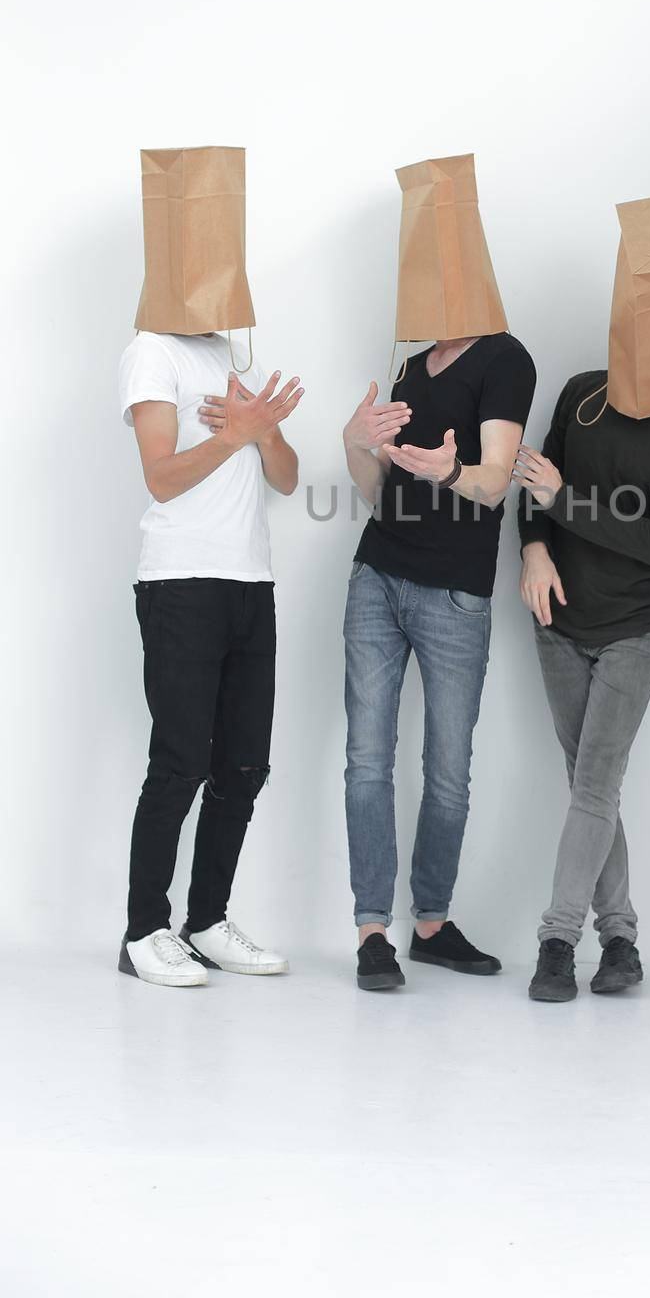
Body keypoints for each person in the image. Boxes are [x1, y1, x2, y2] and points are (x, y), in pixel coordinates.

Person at [514, 196, 650, 1002]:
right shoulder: (580, 394)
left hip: (634, 632)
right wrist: (533, 543)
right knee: (589, 794)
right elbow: (530, 489)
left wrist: (564, 500)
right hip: (556, 625)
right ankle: (623, 942)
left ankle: (557, 944)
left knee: (593, 789)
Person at [342, 154, 536, 991]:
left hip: (456, 595)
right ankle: (372, 933)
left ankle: (433, 922)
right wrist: (358, 442)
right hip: (377, 580)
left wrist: (445, 472)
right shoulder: (413, 364)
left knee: (448, 770)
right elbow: (371, 491)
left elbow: (495, 482)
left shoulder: (506, 358)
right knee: (368, 758)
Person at [118, 146, 303, 987]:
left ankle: (207, 918)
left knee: (244, 764)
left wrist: (262, 430)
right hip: (181, 582)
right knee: (181, 759)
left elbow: (289, 479)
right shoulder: (150, 349)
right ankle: (141, 933)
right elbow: (160, 474)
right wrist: (230, 435)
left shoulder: (231, 352)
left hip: (249, 583)